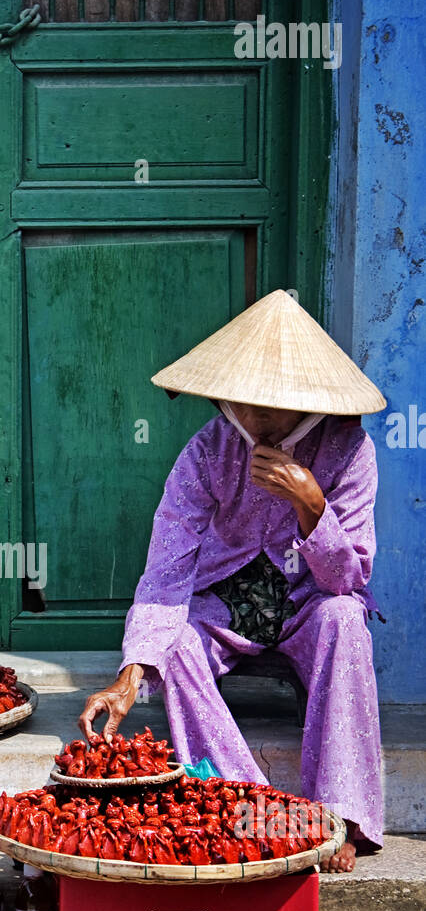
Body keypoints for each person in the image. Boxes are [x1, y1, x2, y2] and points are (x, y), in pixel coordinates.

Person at [79, 291, 387, 873]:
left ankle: (342, 816)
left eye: (271, 408)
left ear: (308, 404)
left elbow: (349, 579)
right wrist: (130, 675)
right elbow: (166, 573)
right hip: (225, 607)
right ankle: (248, 803)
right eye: (241, 405)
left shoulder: (350, 451)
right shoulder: (206, 453)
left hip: (308, 603)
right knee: (176, 644)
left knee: (345, 620)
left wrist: (312, 505)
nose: (255, 420)